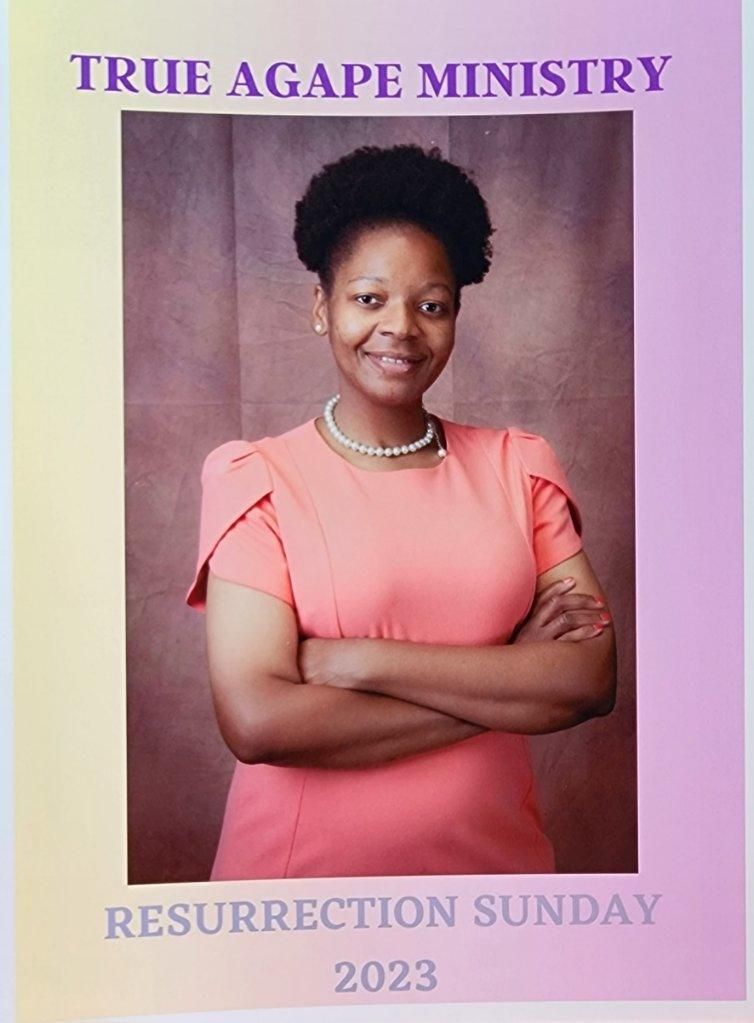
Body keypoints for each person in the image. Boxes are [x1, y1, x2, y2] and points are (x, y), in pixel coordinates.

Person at [186, 144, 617, 880]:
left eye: (431, 305)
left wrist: (356, 661)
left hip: (499, 882)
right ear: (321, 308)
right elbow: (259, 722)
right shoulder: (258, 481)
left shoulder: (520, 468)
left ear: (455, 317)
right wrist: (513, 679)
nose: (401, 327)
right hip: (297, 891)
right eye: (368, 298)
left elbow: (588, 682)